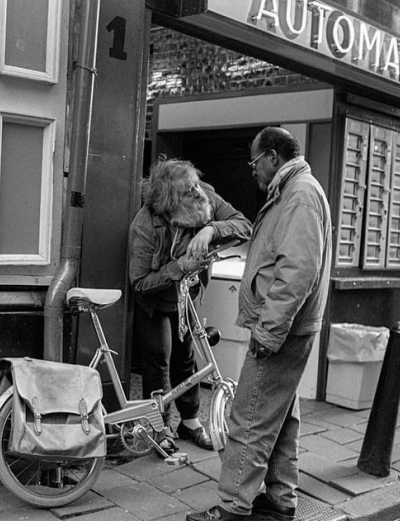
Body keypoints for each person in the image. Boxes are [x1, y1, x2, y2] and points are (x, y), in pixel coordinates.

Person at [187, 127, 331, 521]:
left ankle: (232, 507)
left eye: (254, 163)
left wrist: (268, 332)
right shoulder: (295, 191)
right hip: (290, 327)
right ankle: (282, 499)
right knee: (281, 416)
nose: (252, 171)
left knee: (248, 417)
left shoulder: (299, 195)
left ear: (271, 157)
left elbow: (297, 271)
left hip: (281, 330)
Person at [129, 158, 251, 455]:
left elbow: (244, 225)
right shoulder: (145, 225)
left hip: (189, 297)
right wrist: (181, 266)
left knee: (186, 360)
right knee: (159, 359)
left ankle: (190, 422)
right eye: (188, 190)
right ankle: (159, 428)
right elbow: (140, 282)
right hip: (156, 300)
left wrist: (210, 231)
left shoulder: (205, 195)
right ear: (170, 199)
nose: (198, 192)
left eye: (196, 183)